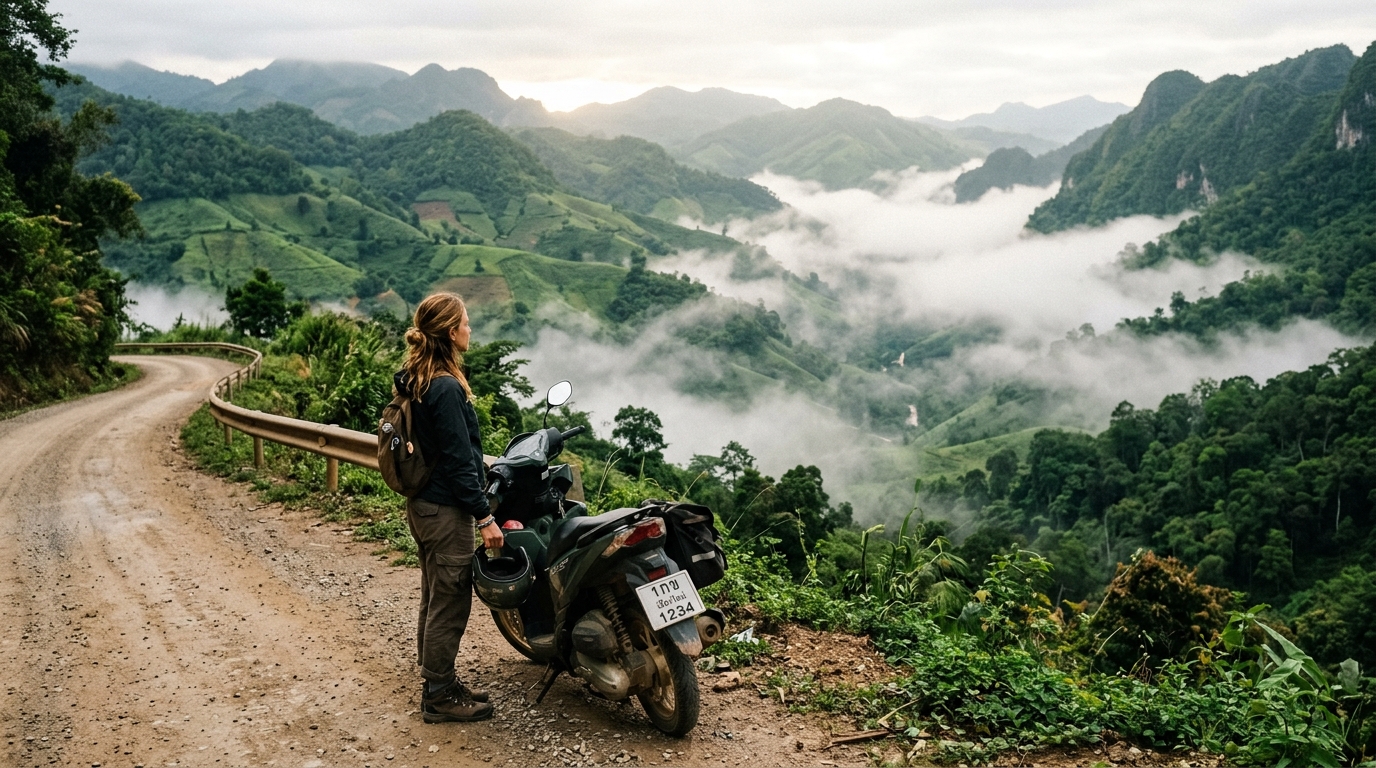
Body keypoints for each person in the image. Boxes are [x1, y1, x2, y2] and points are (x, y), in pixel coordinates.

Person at [393, 292, 505, 723]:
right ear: (450, 332)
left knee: (433, 594)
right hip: (444, 510)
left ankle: (436, 679)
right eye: (465, 322)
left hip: (423, 506)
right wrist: (485, 517)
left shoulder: (416, 377)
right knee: (450, 601)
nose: (470, 328)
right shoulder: (444, 386)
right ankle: (439, 694)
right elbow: (461, 462)